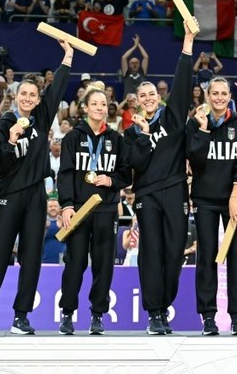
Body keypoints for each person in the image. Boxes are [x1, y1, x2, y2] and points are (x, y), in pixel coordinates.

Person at [0, 39, 73, 336]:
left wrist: (67, 56)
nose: (28, 98)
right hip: (8, 196)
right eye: (23, 94)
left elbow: (57, 88)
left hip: (36, 196)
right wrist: (13, 139)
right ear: (15, 97)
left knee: (31, 257)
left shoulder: (42, 117)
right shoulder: (4, 123)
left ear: (38, 100)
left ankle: (21, 316)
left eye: (33, 95)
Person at [123, 19, 197, 335]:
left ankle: (164, 305)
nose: (149, 97)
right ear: (137, 100)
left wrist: (188, 45)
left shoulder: (173, 116)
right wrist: (142, 134)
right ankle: (155, 312)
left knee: (174, 250)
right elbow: (133, 165)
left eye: (153, 93)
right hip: (148, 195)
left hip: (177, 189)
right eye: (144, 94)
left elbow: (182, 82)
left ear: (159, 96)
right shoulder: (130, 132)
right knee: (150, 252)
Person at [57, 84, 131, 335]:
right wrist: (66, 205)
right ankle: (67, 313)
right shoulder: (72, 137)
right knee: (75, 262)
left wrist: (112, 181)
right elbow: (64, 175)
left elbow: (126, 174)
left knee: (104, 264)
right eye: (94, 104)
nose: (99, 108)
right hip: (78, 209)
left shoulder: (116, 139)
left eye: (103, 104)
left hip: (106, 209)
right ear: (85, 107)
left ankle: (97, 315)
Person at [187, 76, 237, 336]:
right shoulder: (195, 124)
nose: (218, 97)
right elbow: (195, 159)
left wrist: (235, 197)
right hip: (204, 199)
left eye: (223, 93)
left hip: (234, 199)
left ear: (230, 96)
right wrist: (204, 130)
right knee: (206, 256)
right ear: (207, 96)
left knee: (236, 257)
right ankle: (208, 317)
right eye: (214, 93)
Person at [121, 34, 149, 98]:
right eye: (132, 63)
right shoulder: (126, 73)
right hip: (128, 101)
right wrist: (134, 46)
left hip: (140, 100)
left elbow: (146, 57)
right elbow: (124, 58)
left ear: (139, 64)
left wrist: (138, 44)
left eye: (136, 62)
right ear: (129, 65)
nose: (134, 64)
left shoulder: (142, 72)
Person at [42, 195, 65, 264]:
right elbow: (37, 242)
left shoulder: (65, 221)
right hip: (44, 259)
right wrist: (45, 228)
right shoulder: (41, 222)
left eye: (55, 206)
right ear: (46, 208)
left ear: (59, 208)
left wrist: (62, 228)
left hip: (63, 259)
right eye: (50, 206)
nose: (53, 208)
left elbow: (70, 240)